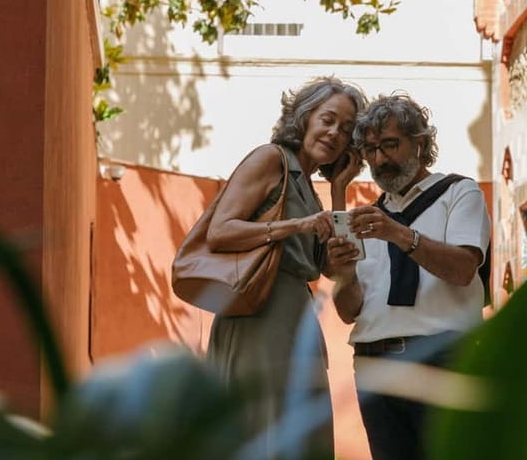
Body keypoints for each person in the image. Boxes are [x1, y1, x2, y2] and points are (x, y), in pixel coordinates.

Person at [205, 76, 365, 459]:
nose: (334, 133)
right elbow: (220, 232)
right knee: (263, 430)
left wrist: (340, 188)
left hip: (296, 316)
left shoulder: (310, 187)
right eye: (328, 119)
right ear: (305, 116)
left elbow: (328, 265)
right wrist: (297, 225)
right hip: (260, 312)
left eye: (345, 129)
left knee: (298, 434)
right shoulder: (269, 159)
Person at [326, 93, 491, 460]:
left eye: (390, 145)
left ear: (420, 142)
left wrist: (398, 234)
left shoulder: (459, 193)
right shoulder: (364, 218)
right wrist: (345, 277)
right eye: (370, 150)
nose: (380, 159)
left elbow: (464, 269)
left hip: (442, 357)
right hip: (372, 364)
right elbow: (348, 311)